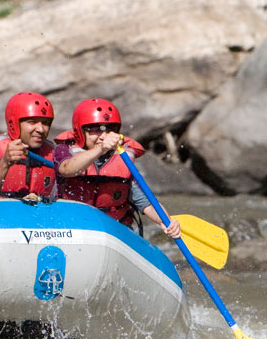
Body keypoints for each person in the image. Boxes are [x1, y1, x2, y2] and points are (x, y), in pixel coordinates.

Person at [55, 98, 181, 238]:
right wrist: (100, 149)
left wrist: (167, 221)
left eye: (110, 129)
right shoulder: (64, 150)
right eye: (95, 129)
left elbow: (147, 204)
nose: (103, 135)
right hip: (72, 229)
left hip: (115, 231)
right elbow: (66, 170)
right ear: (80, 131)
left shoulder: (123, 160)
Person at [0, 92, 57, 202]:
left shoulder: (53, 152)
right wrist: (4, 163)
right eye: (32, 122)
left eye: (45, 123)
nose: (41, 129)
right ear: (14, 124)